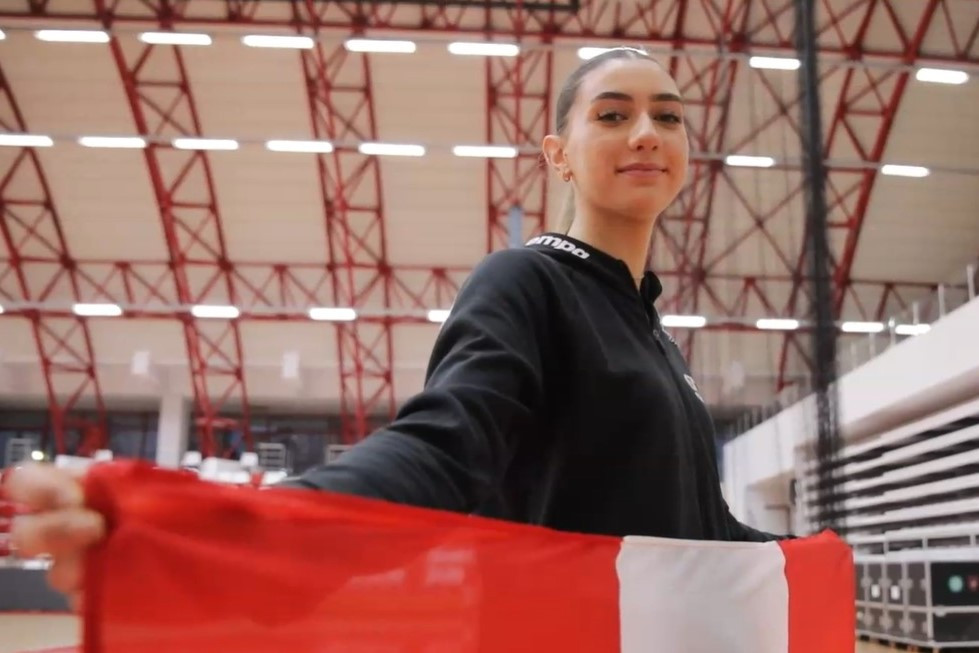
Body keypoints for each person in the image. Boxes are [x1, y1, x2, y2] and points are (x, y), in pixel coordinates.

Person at [2, 47, 785, 613]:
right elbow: (443, 450)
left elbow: (696, 528)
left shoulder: (655, 337)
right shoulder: (526, 281)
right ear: (559, 156)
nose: (646, 131)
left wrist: (806, 560)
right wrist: (239, 533)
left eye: (667, 116)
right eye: (613, 115)